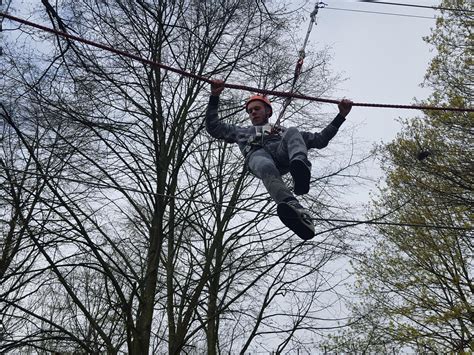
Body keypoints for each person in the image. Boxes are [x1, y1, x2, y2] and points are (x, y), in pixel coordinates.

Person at [206, 79, 352, 240]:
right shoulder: (241, 131)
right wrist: (214, 96)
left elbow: (320, 140)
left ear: (268, 111)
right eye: (249, 111)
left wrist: (341, 116)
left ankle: (300, 167)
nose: (252, 112)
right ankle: (296, 209)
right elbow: (214, 127)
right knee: (265, 164)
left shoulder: (280, 131)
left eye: (257, 109)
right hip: (258, 157)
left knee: (292, 131)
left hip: (283, 157)